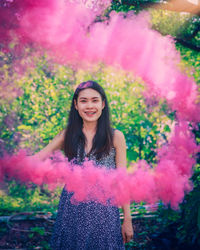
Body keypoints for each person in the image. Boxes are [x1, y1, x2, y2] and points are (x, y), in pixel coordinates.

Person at [35, 81, 133, 249]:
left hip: (105, 213)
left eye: (94, 100)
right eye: (83, 101)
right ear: (76, 104)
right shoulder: (67, 135)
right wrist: (10, 163)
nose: (89, 106)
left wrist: (128, 220)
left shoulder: (116, 136)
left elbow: (122, 181)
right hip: (72, 211)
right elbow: (38, 157)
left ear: (103, 104)